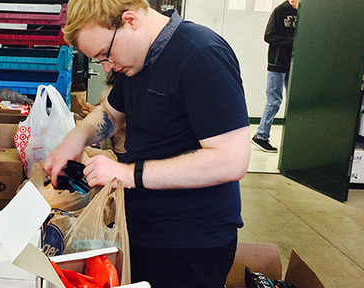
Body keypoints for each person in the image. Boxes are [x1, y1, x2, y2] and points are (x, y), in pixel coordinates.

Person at [43, 0, 250, 287]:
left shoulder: (201, 55)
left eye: (106, 54)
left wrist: (128, 174)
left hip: (189, 245)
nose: (107, 66)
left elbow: (231, 159)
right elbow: (111, 113)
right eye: (99, 60)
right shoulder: (137, 60)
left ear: (130, 20)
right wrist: (74, 140)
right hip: (144, 231)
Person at [252, 0, 299, 153]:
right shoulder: (280, 11)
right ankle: (261, 136)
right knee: (274, 102)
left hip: (294, 64)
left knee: (295, 101)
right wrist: (294, 41)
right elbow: (269, 36)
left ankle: (294, 139)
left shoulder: (304, 13)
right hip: (277, 64)